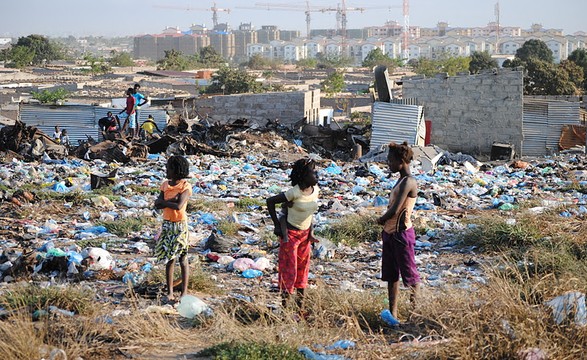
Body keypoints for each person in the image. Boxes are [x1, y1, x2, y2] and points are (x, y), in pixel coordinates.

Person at [267, 158, 319, 311]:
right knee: (290, 271)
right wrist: (277, 225)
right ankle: (285, 310)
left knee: (303, 271)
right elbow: (270, 201)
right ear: (303, 176)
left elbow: (310, 214)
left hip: (305, 236)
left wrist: (311, 232)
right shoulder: (294, 192)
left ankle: (299, 309)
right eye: (312, 172)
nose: (316, 175)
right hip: (290, 235)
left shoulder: (316, 190)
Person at [377, 141, 420, 323]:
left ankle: (413, 313)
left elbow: (395, 210)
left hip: (402, 234)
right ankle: (393, 314)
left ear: (401, 161)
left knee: (409, 275)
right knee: (391, 275)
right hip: (390, 233)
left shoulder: (409, 182)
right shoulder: (400, 180)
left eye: (390, 160)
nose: (388, 163)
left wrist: (380, 219)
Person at [154, 155, 192, 303]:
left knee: (182, 258)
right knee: (169, 259)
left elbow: (179, 206)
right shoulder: (165, 185)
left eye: (168, 168)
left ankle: (184, 293)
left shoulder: (185, 186)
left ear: (176, 171)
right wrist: (171, 200)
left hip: (180, 225)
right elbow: (157, 204)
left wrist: (165, 202)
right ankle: (169, 292)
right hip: (167, 224)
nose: (166, 170)